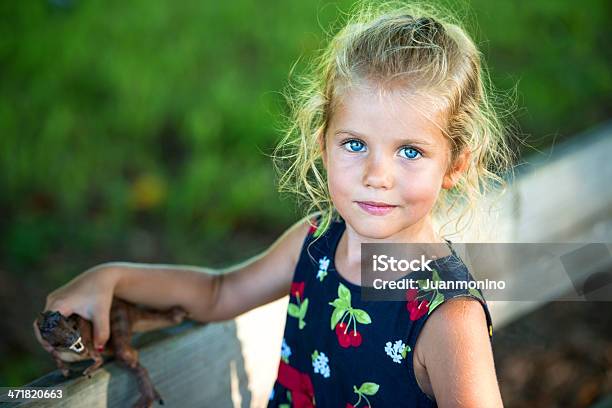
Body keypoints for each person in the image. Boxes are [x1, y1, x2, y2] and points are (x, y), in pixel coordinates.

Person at [35, 1, 514, 406]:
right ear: (323, 142)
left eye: (410, 152)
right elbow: (220, 292)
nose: (376, 176)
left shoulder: (448, 319)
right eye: (354, 144)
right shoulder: (317, 242)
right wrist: (110, 276)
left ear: (456, 165)